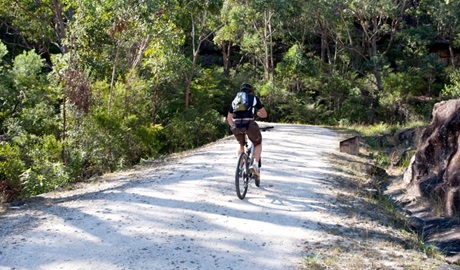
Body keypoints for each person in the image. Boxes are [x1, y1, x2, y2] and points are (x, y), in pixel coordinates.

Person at [227, 83, 267, 179]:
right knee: (258, 143)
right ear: (251, 91)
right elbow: (264, 114)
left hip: (236, 124)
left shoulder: (235, 100)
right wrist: (257, 113)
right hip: (249, 124)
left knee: (241, 144)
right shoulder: (253, 98)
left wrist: (233, 127)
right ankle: (255, 165)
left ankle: (240, 168)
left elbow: (229, 118)